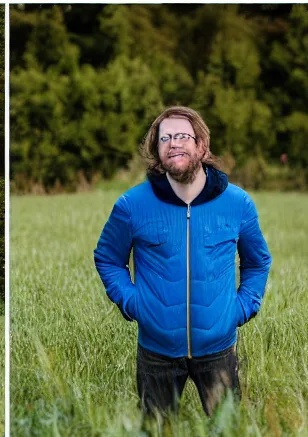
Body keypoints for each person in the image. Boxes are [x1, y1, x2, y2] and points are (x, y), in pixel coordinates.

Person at [94, 106, 272, 417]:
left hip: (218, 348)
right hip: (156, 352)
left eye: (181, 136)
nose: (173, 143)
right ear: (156, 151)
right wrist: (134, 303)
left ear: (201, 146)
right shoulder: (131, 205)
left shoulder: (237, 203)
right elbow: (108, 259)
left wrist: (240, 308)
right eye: (165, 138)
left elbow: (257, 263)